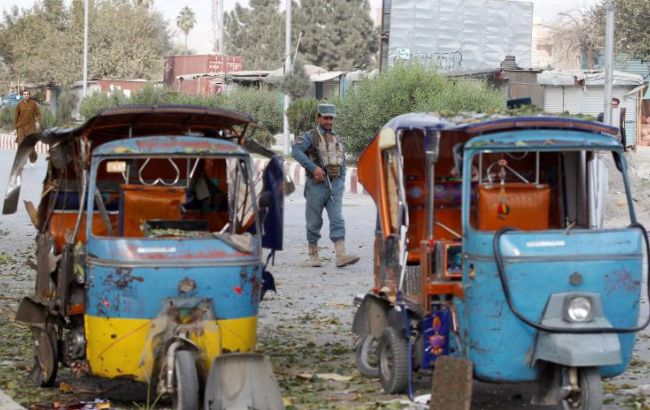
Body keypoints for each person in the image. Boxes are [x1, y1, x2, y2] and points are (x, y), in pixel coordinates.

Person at [291, 103, 359, 268]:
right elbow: (296, 151)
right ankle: (313, 254)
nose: (329, 121)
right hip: (316, 186)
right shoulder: (310, 136)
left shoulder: (336, 138)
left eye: (331, 118)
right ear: (319, 117)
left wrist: (341, 181)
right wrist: (313, 168)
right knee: (314, 222)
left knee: (337, 219)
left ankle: (341, 255)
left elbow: (341, 160)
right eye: (326, 118)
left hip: (334, 185)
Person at [14, 89, 41, 163]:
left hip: (31, 128)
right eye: (24, 94)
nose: (26, 95)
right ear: (23, 95)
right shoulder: (19, 104)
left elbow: (38, 113)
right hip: (21, 128)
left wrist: (37, 121)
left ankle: (33, 158)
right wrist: (15, 128)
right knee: (21, 145)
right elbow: (16, 117)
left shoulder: (33, 104)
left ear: (29, 95)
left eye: (27, 94)